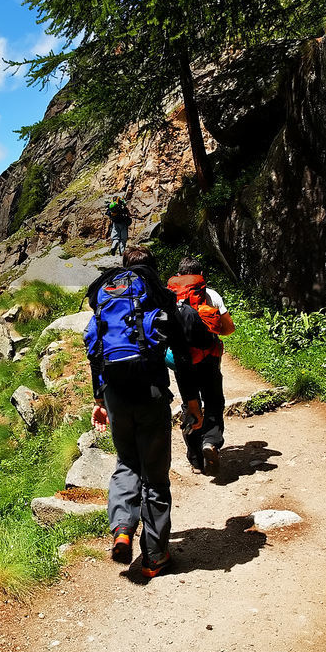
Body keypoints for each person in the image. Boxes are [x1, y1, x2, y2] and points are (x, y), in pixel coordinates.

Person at [84, 246, 190, 578]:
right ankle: (155, 556)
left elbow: (95, 348)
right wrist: (192, 402)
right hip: (151, 393)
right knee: (155, 477)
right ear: (152, 270)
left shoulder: (108, 298)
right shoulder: (156, 294)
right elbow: (182, 354)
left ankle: (122, 529)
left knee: (126, 462)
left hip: (115, 393)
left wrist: (100, 400)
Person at [167, 258, 234, 474]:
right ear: (201, 275)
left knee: (190, 402)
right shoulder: (210, 295)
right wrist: (211, 334)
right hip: (208, 357)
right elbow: (229, 328)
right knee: (213, 399)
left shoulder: (169, 297)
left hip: (181, 360)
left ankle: (195, 457)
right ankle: (211, 442)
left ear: (178, 275)